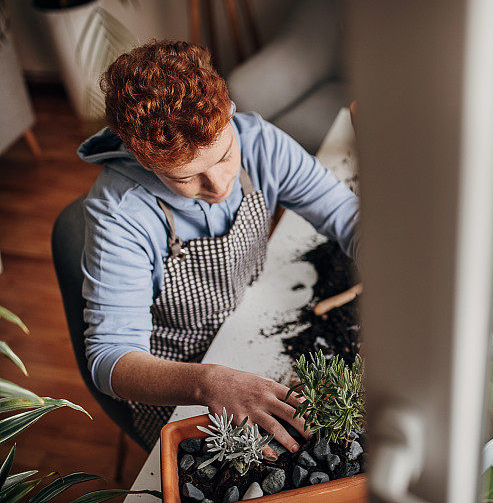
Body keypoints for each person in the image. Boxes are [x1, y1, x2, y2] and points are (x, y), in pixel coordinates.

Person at [78, 40, 360, 450]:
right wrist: (207, 382)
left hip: (249, 317)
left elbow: (345, 215)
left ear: (228, 111)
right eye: (186, 177)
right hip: (179, 376)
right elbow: (111, 360)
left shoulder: (260, 142)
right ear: (145, 161)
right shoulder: (119, 214)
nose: (219, 185)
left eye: (225, 154)